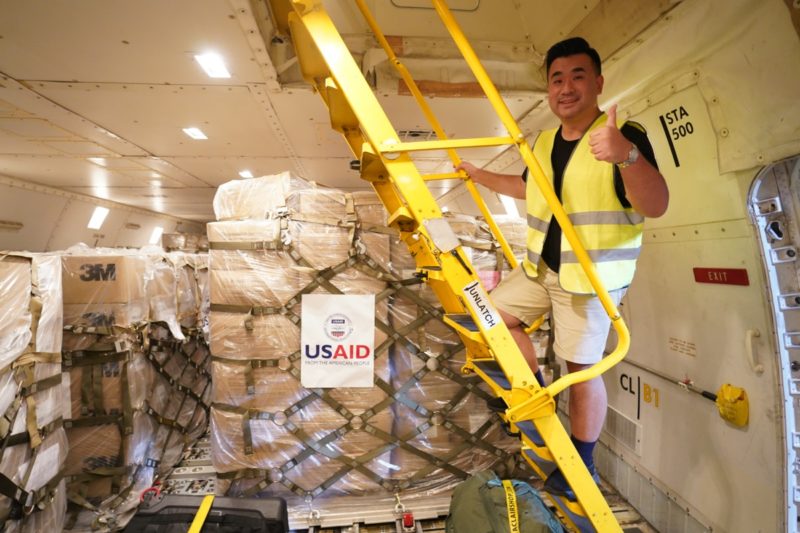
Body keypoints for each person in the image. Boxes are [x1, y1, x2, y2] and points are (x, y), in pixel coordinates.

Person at [457, 37, 668, 500]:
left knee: (581, 370)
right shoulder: (546, 140)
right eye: (557, 79)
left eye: (577, 76)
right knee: (490, 316)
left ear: (597, 83)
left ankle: (583, 462)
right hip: (542, 270)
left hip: (591, 282)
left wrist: (626, 155)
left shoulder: (624, 136)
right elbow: (528, 186)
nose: (566, 87)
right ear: (549, 89)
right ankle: (536, 392)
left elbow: (656, 204)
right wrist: (478, 175)